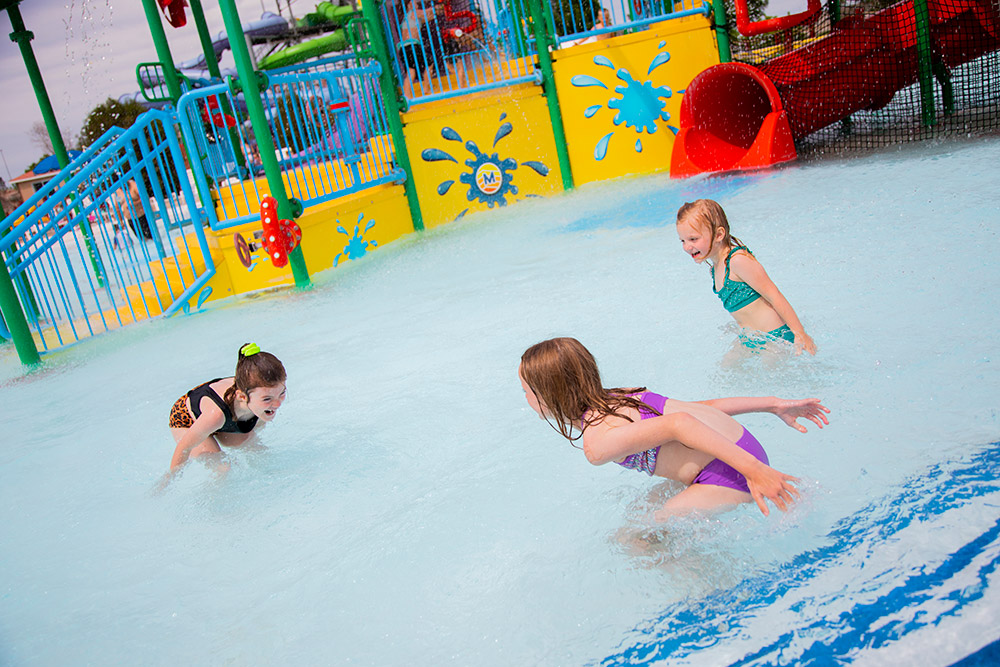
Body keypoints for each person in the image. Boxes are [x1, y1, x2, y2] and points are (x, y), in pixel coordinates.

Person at [518, 337, 829, 518]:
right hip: (740, 445)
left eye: (526, 391)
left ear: (548, 394)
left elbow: (681, 424)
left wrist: (755, 471)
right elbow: (701, 410)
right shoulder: (616, 398)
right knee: (636, 518)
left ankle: (710, 601)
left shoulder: (597, 444)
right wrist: (771, 404)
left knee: (649, 536)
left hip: (733, 471)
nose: (525, 397)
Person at [676, 199, 817, 354]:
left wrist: (799, 333)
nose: (687, 247)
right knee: (725, 372)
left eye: (693, 239)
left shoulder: (737, 260)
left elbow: (773, 294)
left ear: (718, 235)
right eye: (683, 240)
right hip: (751, 338)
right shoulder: (715, 269)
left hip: (775, 337)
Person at [167, 343, 287, 471]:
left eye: (282, 393)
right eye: (267, 399)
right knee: (223, 467)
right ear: (243, 397)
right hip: (187, 420)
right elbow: (184, 447)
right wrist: (169, 480)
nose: (278, 404)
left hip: (225, 418)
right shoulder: (215, 415)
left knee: (254, 448)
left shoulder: (259, 399)